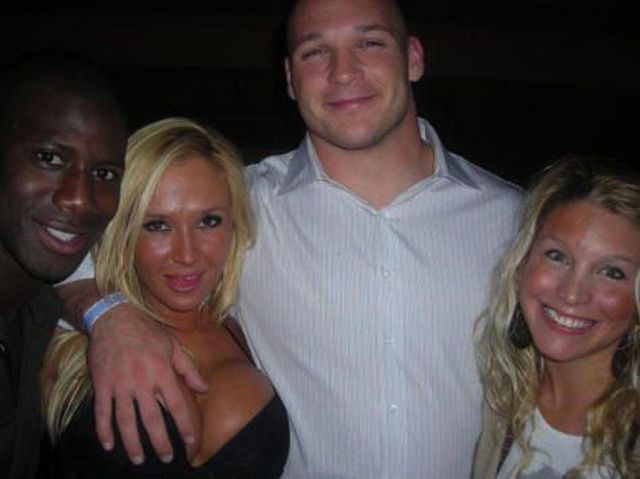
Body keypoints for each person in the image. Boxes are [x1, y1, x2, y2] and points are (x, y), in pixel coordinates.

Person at [63, 0, 523, 476]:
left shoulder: (512, 219)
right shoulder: (241, 204)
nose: (343, 72)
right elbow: (71, 242)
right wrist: (107, 314)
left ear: (414, 58)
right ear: (288, 77)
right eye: (314, 52)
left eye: (370, 43)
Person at [43, 117, 289, 478]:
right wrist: (101, 312)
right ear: (123, 231)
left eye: (209, 221)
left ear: (234, 223)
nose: (187, 254)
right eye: (157, 225)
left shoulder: (247, 324)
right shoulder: (66, 341)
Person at [0, 52, 127, 478]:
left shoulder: (42, 309)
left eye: (104, 174)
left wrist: (107, 312)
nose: (80, 199)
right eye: (49, 158)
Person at [473, 156, 640, 478]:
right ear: (522, 263)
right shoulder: (500, 405)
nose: (572, 294)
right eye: (557, 256)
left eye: (612, 272)